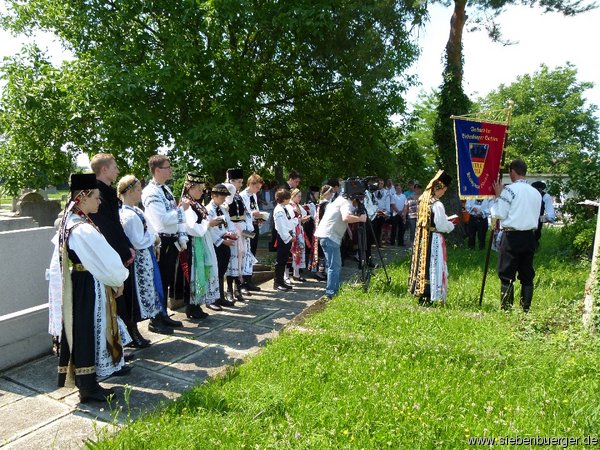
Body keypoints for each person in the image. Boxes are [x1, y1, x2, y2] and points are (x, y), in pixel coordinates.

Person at [48, 173, 130, 403]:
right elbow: (106, 259)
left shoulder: (72, 221)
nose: (100, 201)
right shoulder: (81, 228)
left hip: (82, 283)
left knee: (84, 330)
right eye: (96, 196)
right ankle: (88, 386)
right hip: (88, 284)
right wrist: (119, 280)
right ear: (83, 197)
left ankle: (88, 383)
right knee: (87, 331)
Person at [88, 154, 137, 340]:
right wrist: (123, 251)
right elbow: (107, 228)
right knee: (116, 299)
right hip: (110, 253)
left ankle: (128, 336)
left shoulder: (107, 192)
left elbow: (117, 225)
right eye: (114, 167)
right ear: (104, 169)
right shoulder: (97, 193)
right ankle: (121, 340)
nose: (118, 170)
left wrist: (128, 246)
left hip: (119, 249)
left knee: (124, 297)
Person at [141, 155, 188, 330]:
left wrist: (181, 234)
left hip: (171, 239)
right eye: (168, 167)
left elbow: (173, 216)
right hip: (161, 242)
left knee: (166, 279)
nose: (171, 170)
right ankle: (155, 320)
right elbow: (161, 220)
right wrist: (181, 210)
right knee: (158, 280)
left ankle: (163, 314)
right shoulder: (150, 192)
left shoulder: (166, 189)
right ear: (158, 170)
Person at [118, 175, 167, 340]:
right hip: (137, 260)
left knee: (149, 289)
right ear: (130, 191)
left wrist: (155, 239)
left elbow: (150, 228)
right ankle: (134, 330)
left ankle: (152, 320)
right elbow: (137, 241)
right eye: (138, 190)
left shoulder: (136, 210)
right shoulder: (127, 215)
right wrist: (154, 239)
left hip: (146, 257)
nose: (140, 193)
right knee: (137, 295)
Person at [491, 159, 542, 312]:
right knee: (527, 273)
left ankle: (506, 310)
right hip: (529, 237)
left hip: (512, 237)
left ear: (512, 171)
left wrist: (498, 196)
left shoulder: (509, 190)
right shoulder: (536, 193)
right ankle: (525, 310)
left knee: (506, 273)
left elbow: (499, 213)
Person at [408, 170, 458, 305]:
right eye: (444, 190)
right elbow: (441, 225)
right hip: (434, 237)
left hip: (422, 237)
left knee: (422, 263)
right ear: (440, 188)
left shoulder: (423, 200)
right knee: (433, 264)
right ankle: (431, 294)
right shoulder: (437, 204)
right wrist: (451, 225)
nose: (444, 193)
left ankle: (421, 293)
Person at [178, 173, 222, 319]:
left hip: (201, 240)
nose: (202, 192)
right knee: (195, 273)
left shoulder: (196, 203)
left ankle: (196, 304)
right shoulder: (186, 204)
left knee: (202, 272)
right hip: (193, 243)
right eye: (199, 189)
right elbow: (190, 227)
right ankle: (192, 306)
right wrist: (208, 224)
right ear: (190, 187)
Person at [314, 187, 367, 299]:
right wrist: (360, 218)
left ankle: (331, 290)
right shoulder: (346, 203)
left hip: (325, 235)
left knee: (331, 265)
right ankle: (331, 293)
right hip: (330, 236)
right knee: (335, 266)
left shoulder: (339, 200)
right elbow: (346, 217)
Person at [224, 168, 257, 300]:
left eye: (241, 182)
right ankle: (229, 290)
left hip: (241, 230)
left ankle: (238, 288)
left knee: (241, 259)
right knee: (232, 260)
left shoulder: (238, 196)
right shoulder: (227, 196)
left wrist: (247, 226)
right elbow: (226, 213)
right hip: (232, 230)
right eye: (238, 182)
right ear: (231, 181)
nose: (240, 185)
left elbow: (245, 213)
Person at [206, 184, 238, 308]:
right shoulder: (209, 210)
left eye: (225, 196)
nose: (224, 199)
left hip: (225, 242)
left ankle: (220, 297)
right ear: (214, 196)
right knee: (214, 271)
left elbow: (229, 223)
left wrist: (230, 233)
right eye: (222, 196)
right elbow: (210, 229)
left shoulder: (223, 209)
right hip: (216, 244)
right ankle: (211, 300)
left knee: (221, 271)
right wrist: (222, 240)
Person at [240, 173, 266, 292]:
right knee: (246, 253)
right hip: (245, 228)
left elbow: (254, 208)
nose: (258, 190)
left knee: (252, 253)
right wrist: (252, 214)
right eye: (257, 187)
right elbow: (243, 213)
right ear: (251, 184)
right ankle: (242, 283)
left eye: (259, 188)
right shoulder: (242, 195)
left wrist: (259, 217)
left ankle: (249, 280)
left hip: (254, 226)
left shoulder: (254, 196)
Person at [272, 188, 296, 291]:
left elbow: (289, 222)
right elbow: (281, 227)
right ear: (284, 199)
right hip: (283, 237)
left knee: (284, 259)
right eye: (288, 198)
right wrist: (288, 238)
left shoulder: (284, 208)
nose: (289, 200)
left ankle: (281, 281)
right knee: (280, 259)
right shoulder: (279, 210)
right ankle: (277, 282)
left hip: (288, 236)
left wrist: (293, 233)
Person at [531, 181, 556, 248]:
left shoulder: (545, 196)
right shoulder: (527, 195)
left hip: (536, 226)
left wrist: (540, 219)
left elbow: (551, 217)